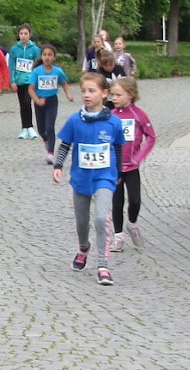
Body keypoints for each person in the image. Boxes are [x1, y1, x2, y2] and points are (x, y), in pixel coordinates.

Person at [52, 73, 125, 286]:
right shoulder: (75, 120)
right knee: (82, 222)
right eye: (84, 90)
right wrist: (58, 166)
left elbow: (118, 148)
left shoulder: (113, 122)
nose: (86, 94)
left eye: (92, 91)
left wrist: (118, 173)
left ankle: (103, 266)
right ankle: (84, 247)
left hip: (105, 177)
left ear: (104, 93)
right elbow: (65, 145)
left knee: (101, 218)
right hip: (81, 178)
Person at [109, 77, 156, 252]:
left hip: (132, 167)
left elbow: (151, 137)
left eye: (118, 95)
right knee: (117, 202)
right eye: (112, 94)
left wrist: (139, 157)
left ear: (130, 95)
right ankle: (118, 238)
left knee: (135, 200)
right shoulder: (110, 115)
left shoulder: (139, 115)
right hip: (115, 168)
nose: (114, 98)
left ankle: (132, 223)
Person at [28, 44, 75, 164]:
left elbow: (64, 83)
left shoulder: (57, 71)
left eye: (50, 55)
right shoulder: (36, 72)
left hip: (52, 101)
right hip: (39, 102)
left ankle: (50, 153)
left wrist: (68, 94)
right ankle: (46, 140)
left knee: (50, 127)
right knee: (41, 129)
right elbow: (31, 89)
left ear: (54, 57)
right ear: (41, 57)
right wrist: (37, 100)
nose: (47, 57)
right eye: (44, 55)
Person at [9, 23, 42, 140]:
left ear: (30, 35)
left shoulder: (35, 49)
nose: (23, 36)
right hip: (19, 81)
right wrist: (12, 81)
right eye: (21, 33)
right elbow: (12, 66)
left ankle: (30, 127)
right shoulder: (14, 50)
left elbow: (39, 65)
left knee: (27, 102)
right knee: (22, 104)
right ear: (18, 35)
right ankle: (24, 128)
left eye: (25, 33)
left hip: (30, 81)